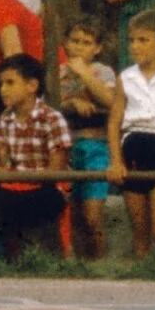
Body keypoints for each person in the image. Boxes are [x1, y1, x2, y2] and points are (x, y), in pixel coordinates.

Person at [0, 54, 72, 261]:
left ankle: (46, 258)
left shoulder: (51, 119)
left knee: (31, 200)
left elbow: (56, 171)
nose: (3, 89)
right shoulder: (4, 120)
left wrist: (13, 175)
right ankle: (1, 258)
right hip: (14, 185)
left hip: (45, 186)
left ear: (32, 85)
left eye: (10, 83)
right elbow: (0, 166)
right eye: (1, 84)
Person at [106, 13, 155, 258]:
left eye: (143, 40)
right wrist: (116, 161)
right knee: (140, 233)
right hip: (134, 148)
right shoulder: (126, 78)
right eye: (132, 40)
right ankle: (142, 274)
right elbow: (115, 121)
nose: (135, 46)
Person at [54, 20, 118, 259]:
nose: (79, 47)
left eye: (87, 43)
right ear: (66, 43)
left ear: (97, 48)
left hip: (96, 147)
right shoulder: (57, 72)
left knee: (92, 216)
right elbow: (51, 103)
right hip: (67, 148)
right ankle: (80, 266)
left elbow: (110, 100)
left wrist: (83, 73)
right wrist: (72, 102)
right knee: (73, 214)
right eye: (75, 41)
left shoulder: (103, 71)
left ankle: (99, 263)